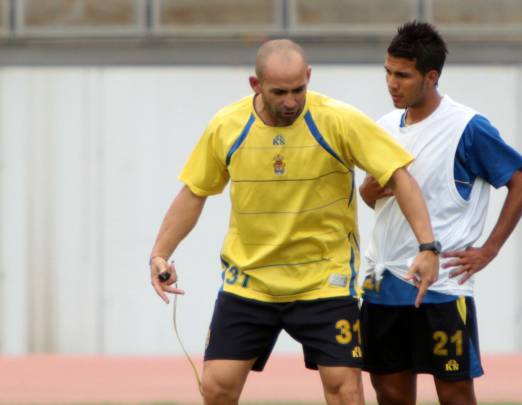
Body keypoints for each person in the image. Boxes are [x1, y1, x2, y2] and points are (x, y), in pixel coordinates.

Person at [148, 39, 440, 405]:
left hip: (324, 281)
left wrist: (428, 246)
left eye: (299, 89)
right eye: (279, 92)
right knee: (217, 386)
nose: (291, 101)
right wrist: (160, 253)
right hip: (249, 281)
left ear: (309, 77)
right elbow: (194, 193)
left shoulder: (338, 120)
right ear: (256, 86)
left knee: (345, 389)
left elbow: (399, 177)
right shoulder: (227, 126)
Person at [359, 22, 522, 405]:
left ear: (431, 76)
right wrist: (368, 191)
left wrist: (489, 250)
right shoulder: (383, 127)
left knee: (454, 394)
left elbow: (521, 186)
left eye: (403, 75)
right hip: (381, 277)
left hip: (440, 286)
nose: (391, 83)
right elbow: (375, 198)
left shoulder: (468, 127)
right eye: (388, 72)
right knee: (388, 392)